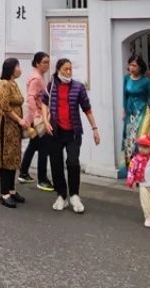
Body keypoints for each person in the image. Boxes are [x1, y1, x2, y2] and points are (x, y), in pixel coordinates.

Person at [45, 58, 100, 213]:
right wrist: (44, 119)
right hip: (56, 131)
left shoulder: (78, 87)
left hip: (73, 132)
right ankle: (61, 195)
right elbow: (44, 102)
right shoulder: (52, 86)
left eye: (70, 69)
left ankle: (74, 195)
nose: (68, 72)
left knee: (73, 162)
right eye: (65, 69)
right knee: (56, 163)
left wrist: (95, 128)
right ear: (58, 70)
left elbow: (87, 108)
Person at [0, 57, 32, 208]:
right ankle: (4, 193)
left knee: (14, 156)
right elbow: (5, 107)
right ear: (11, 68)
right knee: (6, 157)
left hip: (15, 126)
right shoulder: (4, 84)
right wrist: (19, 120)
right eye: (17, 66)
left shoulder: (14, 83)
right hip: (7, 124)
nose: (20, 69)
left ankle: (11, 190)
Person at [19, 52, 52, 191]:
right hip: (38, 119)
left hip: (35, 118)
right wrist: (38, 115)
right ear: (37, 63)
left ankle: (24, 172)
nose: (47, 65)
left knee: (33, 145)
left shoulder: (38, 76)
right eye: (44, 62)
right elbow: (31, 98)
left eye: (48, 62)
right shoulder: (37, 79)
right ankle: (42, 179)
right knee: (43, 148)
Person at [121, 55, 150, 169]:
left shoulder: (145, 81)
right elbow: (125, 96)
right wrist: (124, 110)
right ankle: (130, 167)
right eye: (130, 65)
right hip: (130, 112)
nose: (131, 68)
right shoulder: (126, 78)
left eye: (134, 65)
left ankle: (144, 166)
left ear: (140, 67)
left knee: (142, 137)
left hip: (143, 111)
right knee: (129, 137)